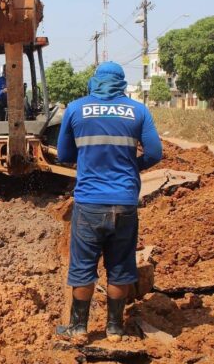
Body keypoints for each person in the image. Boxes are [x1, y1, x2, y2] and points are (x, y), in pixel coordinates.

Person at [55, 61, 162, 342]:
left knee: (82, 268)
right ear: (121, 83)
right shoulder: (138, 110)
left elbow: (64, 155)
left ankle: (78, 328)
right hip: (125, 203)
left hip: (89, 202)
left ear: (95, 81)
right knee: (120, 266)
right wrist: (129, 167)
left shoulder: (76, 108)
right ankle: (115, 328)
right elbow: (154, 153)